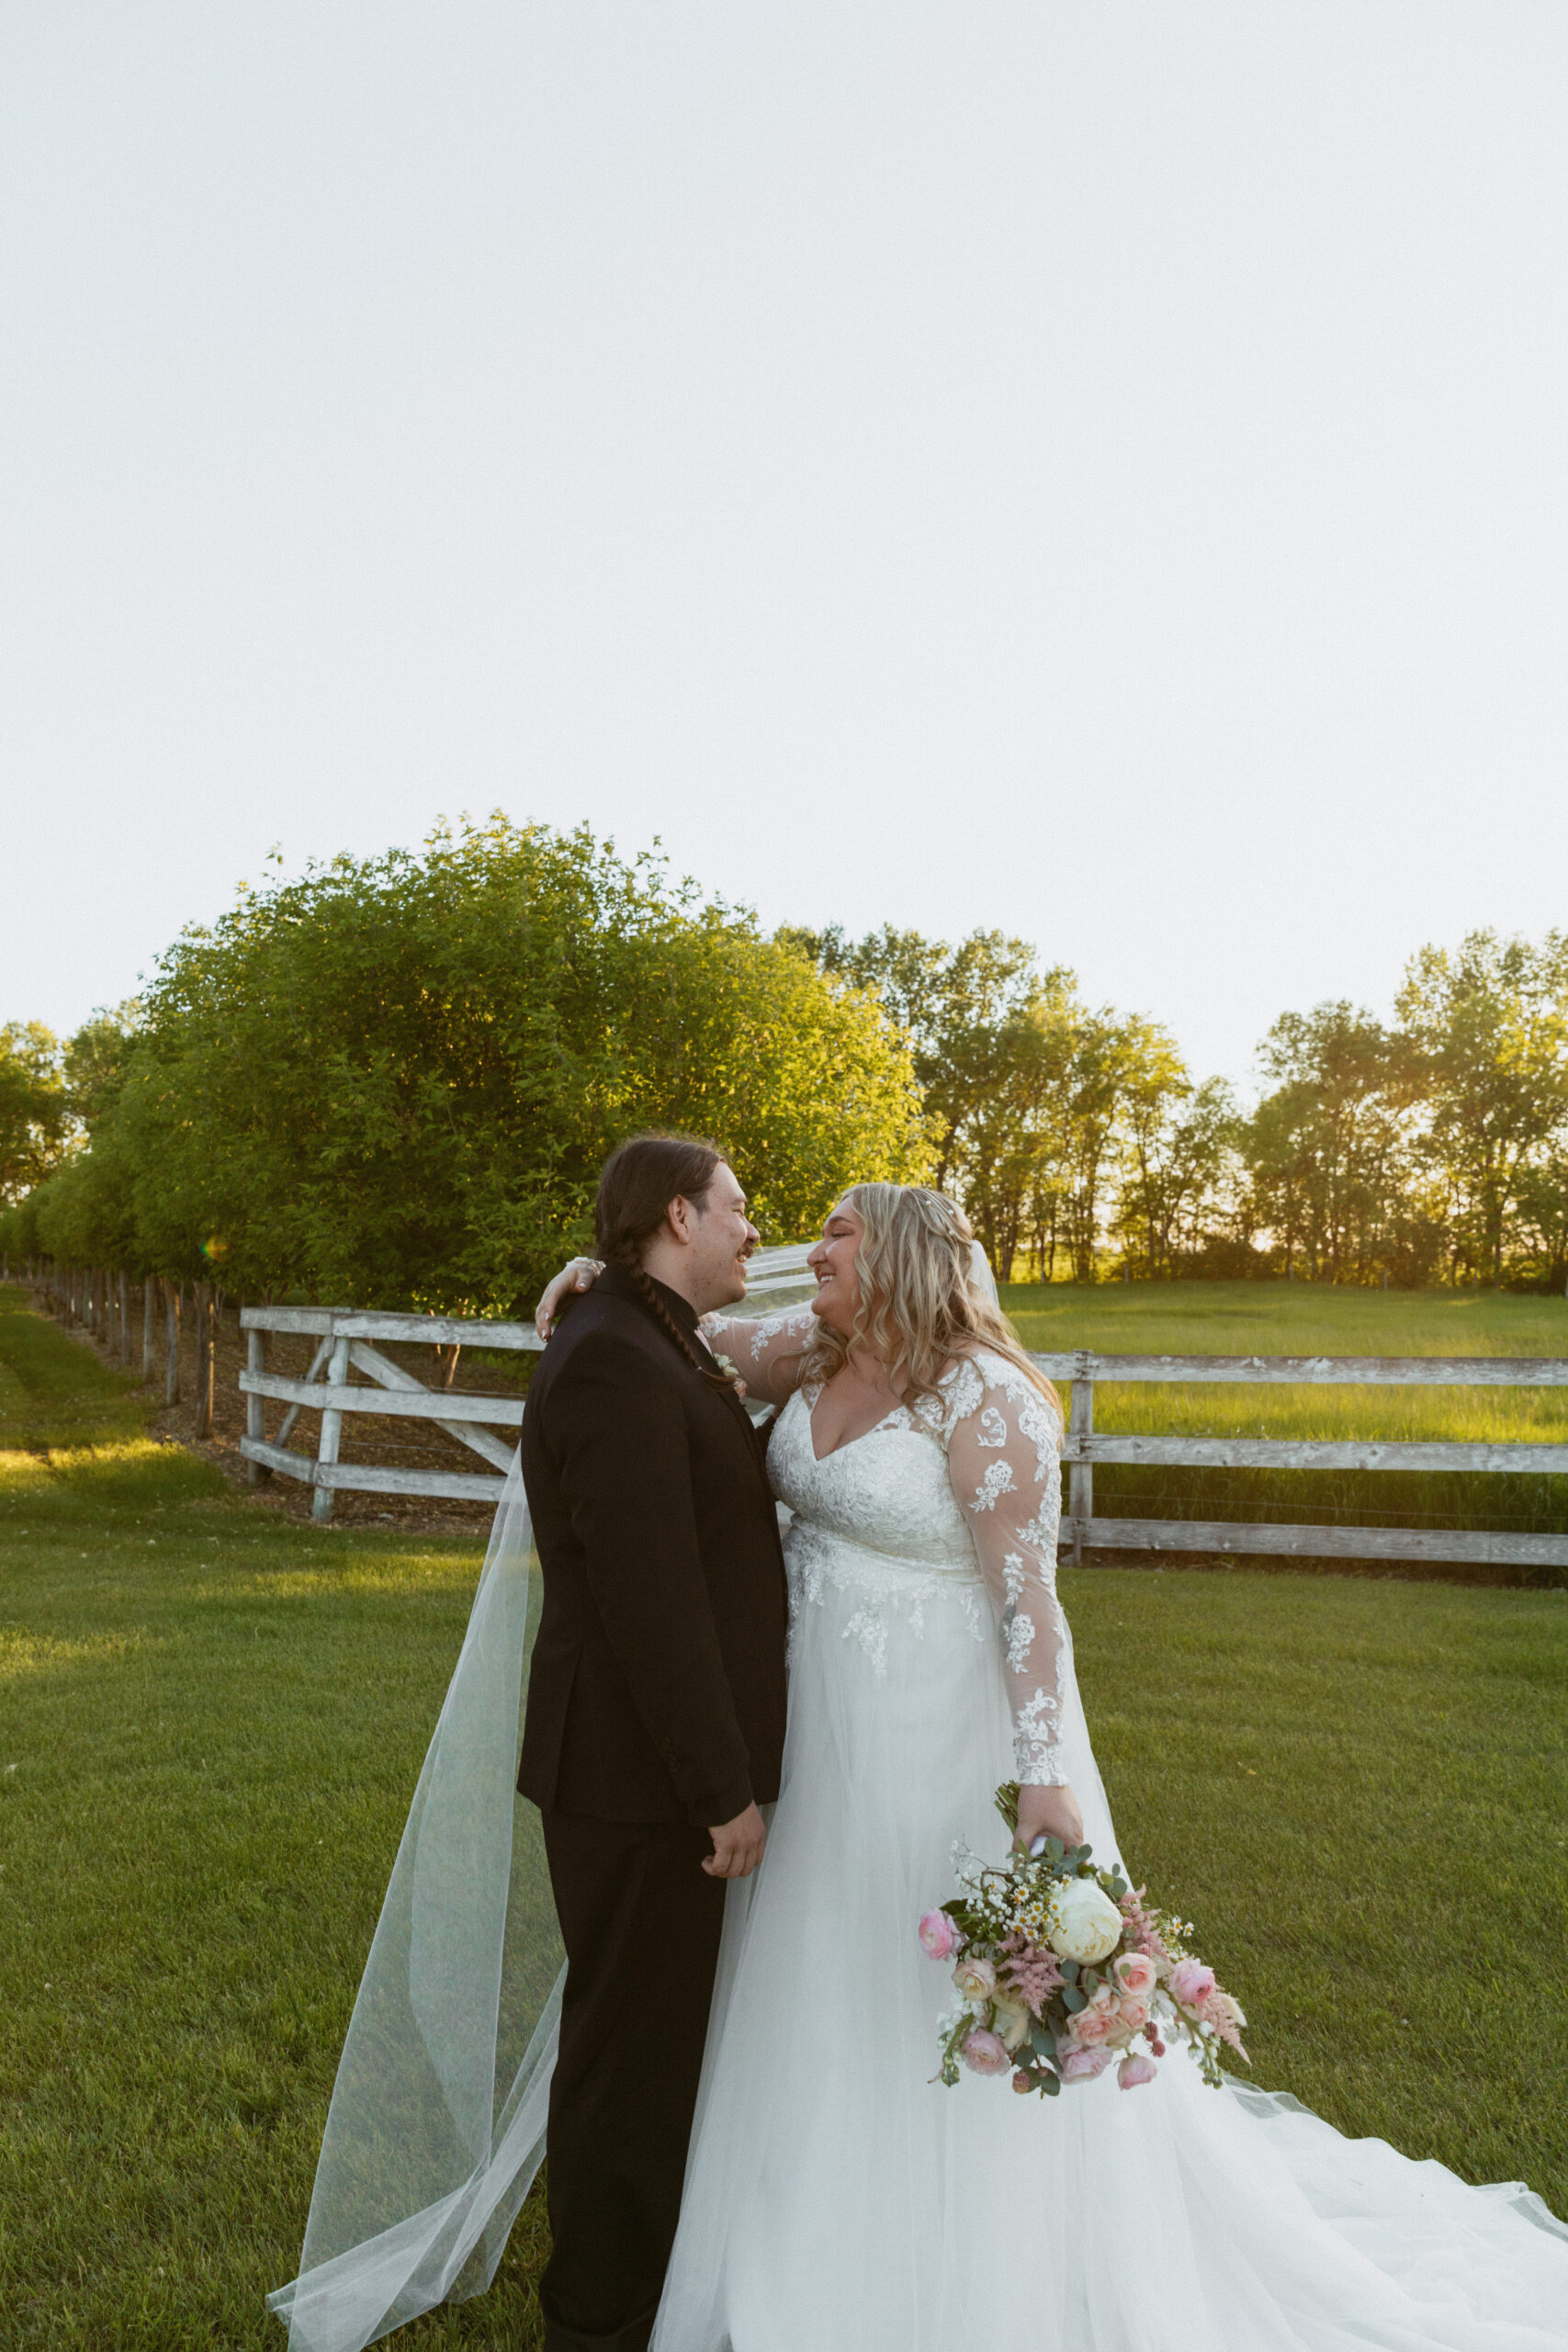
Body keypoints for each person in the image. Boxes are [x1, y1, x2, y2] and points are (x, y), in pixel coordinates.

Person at [536, 1182, 1568, 2351]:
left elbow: (1031, 1604)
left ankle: (946, 2247)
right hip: (809, 1720)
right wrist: (591, 1277)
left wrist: (1042, 1770)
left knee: (910, 1958)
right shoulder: (809, 1352)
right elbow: (684, 1330)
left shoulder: (990, 1400)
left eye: (834, 1231)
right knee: (810, 1952)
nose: (803, 1249)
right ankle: (788, 2208)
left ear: (904, 1257)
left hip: (931, 1722)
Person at [518, 1132, 789, 2352]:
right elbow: (649, 1605)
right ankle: (596, 2317)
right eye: (736, 1210)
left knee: (649, 2039)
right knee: (627, 2060)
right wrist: (719, 1791)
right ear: (677, 1217)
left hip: (642, 1773)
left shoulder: (645, 1333)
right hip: (634, 1780)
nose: (751, 1231)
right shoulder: (613, 1362)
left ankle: (635, 2278)